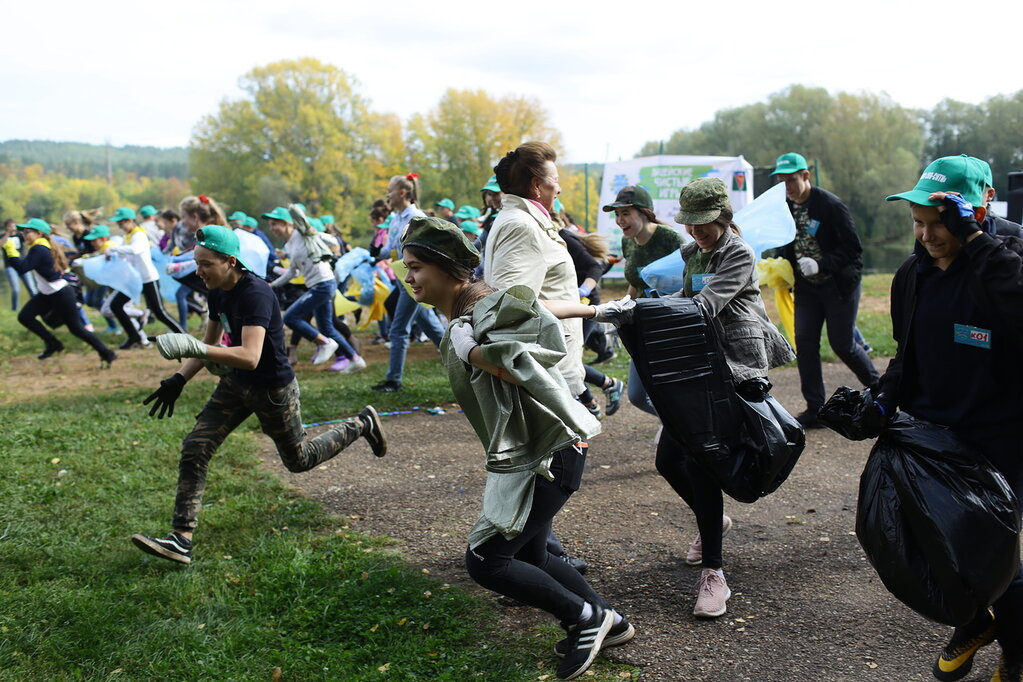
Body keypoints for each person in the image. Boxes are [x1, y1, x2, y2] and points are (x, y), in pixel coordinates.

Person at [400, 216, 635, 680]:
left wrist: (470, 351)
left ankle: (584, 619)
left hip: (551, 452)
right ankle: (612, 620)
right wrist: (596, 311)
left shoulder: (480, 314)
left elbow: (521, 363)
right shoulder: (480, 306)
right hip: (545, 450)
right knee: (532, 554)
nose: (408, 277)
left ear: (447, 268)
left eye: (415, 267)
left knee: (486, 561)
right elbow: (542, 308)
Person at [131, 225, 387, 566]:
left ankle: (361, 423)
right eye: (197, 262)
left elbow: (250, 355)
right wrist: (178, 378)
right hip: (235, 385)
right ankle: (181, 539)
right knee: (195, 447)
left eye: (206, 263)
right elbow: (210, 342)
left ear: (230, 261)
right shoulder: (217, 290)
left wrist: (199, 348)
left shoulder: (256, 293)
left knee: (299, 461)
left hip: (271, 389)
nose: (199, 271)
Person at [873, 155, 1023, 682]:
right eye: (918, 222)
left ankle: (1017, 651)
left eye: (940, 222)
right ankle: (974, 621)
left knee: (1004, 557)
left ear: (977, 208)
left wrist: (977, 241)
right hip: (938, 434)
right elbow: (908, 350)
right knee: (934, 545)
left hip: (1005, 434)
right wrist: (881, 398)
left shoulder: (1008, 254)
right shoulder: (912, 275)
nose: (927, 234)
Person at [650, 178, 796, 619]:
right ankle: (711, 521)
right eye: (691, 225)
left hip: (738, 365)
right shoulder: (692, 252)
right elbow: (687, 295)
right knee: (667, 460)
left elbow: (705, 304)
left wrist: (652, 312)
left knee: (700, 461)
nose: (697, 233)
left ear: (722, 216)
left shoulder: (738, 251)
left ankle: (714, 575)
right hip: (701, 363)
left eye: (704, 224)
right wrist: (637, 308)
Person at [771, 152, 879, 428]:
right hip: (806, 288)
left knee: (842, 344)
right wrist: (782, 269)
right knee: (805, 344)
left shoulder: (831, 205)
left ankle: (881, 391)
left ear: (806, 176)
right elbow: (785, 242)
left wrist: (821, 265)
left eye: (792, 180)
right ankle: (815, 408)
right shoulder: (785, 206)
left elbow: (853, 250)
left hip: (838, 285)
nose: (788, 187)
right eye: (783, 182)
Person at [604, 184, 684, 415]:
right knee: (637, 395)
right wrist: (621, 307)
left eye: (625, 213)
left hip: (672, 326)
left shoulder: (671, 239)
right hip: (644, 325)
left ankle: (682, 435)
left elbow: (691, 281)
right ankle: (676, 426)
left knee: (673, 389)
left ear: (644, 212)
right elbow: (636, 283)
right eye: (617, 214)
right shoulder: (627, 242)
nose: (620, 220)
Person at [264, 206, 366, 372]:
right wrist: (274, 284)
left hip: (323, 285)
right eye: (270, 224)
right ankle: (355, 359)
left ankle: (324, 343)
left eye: (275, 223)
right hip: (317, 285)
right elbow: (292, 272)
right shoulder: (288, 245)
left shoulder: (303, 235)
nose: (272, 228)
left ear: (287, 224)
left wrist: (315, 234)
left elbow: (333, 241)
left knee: (290, 317)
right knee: (326, 328)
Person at [3, 218, 116, 366]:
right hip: (47, 293)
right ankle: (53, 344)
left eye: (27, 231)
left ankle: (107, 353)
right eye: (23, 232)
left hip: (60, 293)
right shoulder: (39, 246)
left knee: (76, 329)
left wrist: (11, 251)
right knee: (25, 317)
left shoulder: (39, 248)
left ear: (39, 233)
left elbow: (23, 268)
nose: (24, 234)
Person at [372, 173, 446, 392]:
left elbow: (421, 248)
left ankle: (394, 380)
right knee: (431, 327)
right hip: (401, 277)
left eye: (390, 190)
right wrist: (376, 254)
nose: (387, 194)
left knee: (398, 329)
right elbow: (393, 246)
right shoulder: (396, 218)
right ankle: (465, 360)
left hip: (413, 279)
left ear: (403, 192)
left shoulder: (415, 217)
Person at [558, 224, 625, 418]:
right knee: (564, 357)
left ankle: (605, 388)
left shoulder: (563, 237)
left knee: (567, 358)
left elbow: (595, 267)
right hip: (561, 303)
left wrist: (583, 290)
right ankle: (591, 400)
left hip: (584, 304)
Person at [107, 206, 185, 348]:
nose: (119, 225)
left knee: (159, 312)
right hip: (135, 280)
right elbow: (125, 254)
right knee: (116, 305)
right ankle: (134, 336)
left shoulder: (139, 235)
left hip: (148, 279)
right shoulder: (128, 236)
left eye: (121, 222)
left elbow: (135, 250)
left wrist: (113, 248)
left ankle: (183, 336)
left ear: (130, 220)